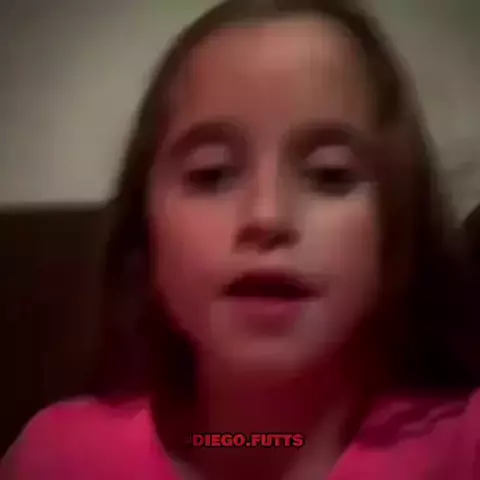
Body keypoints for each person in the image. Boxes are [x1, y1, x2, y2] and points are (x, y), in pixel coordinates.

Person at [2, 1, 479, 478]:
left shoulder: (464, 447)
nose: (267, 216)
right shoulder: (57, 458)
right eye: (211, 175)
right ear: (144, 233)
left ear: (396, 226)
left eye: (330, 175)